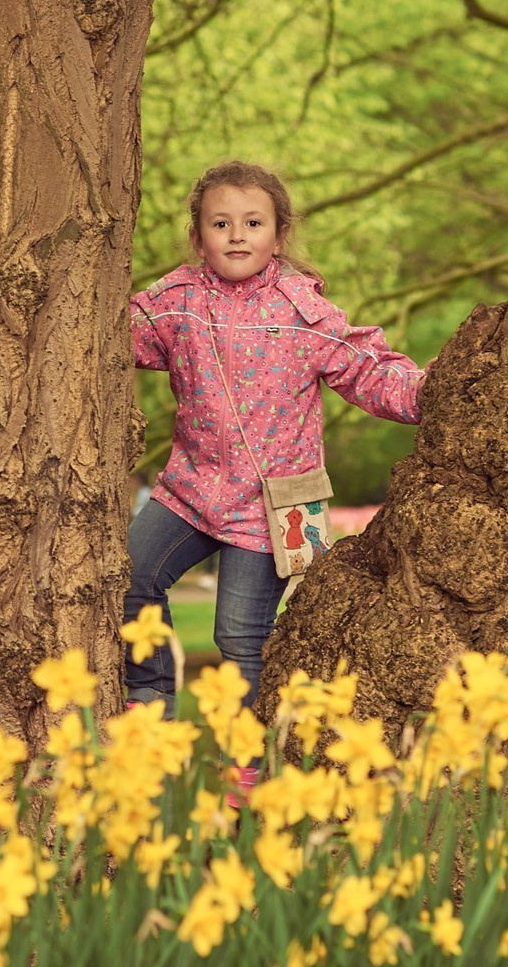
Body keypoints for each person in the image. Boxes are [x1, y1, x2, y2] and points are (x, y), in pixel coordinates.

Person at [125, 160, 424, 758]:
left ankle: (245, 768)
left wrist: (423, 392)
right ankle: (149, 716)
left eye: (253, 222)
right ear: (198, 236)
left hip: (273, 507)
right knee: (131, 576)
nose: (237, 235)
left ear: (278, 235)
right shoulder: (177, 302)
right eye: (221, 223)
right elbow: (107, 333)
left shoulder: (302, 310)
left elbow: (365, 367)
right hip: (191, 488)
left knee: (239, 636)